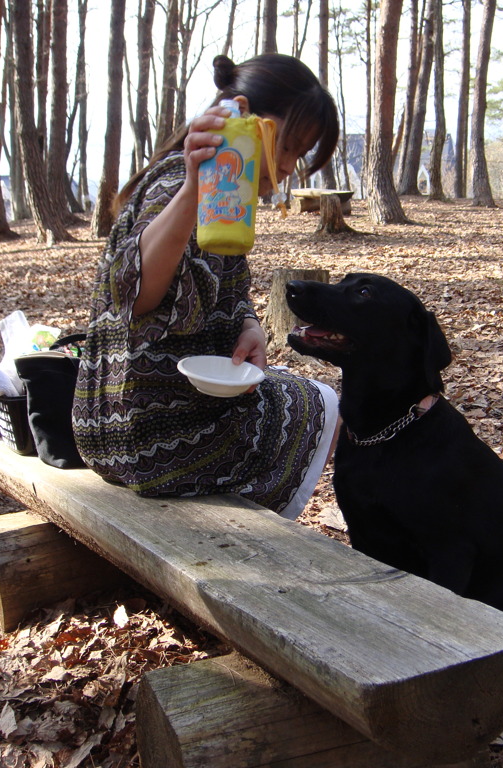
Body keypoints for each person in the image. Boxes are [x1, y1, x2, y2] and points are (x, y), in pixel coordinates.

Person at [73, 54, 340, 519]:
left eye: (298, 155)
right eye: (288, 146)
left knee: (306, 398)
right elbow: (135, 295)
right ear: (243, 115)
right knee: (324, 406)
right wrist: (193, 190)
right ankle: (243, 542)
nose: (286, 165)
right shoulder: (183, 180)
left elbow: (225, 287)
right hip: (150, 430)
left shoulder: (227, 193)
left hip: (124, 422)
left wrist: (249, 323)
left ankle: (241, 531)